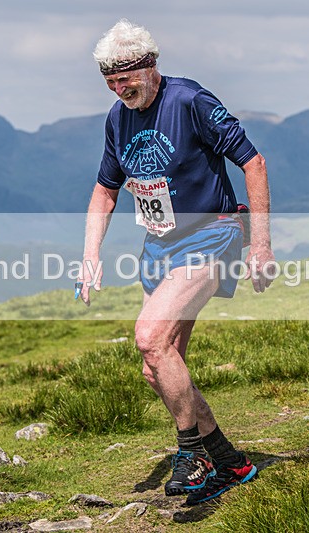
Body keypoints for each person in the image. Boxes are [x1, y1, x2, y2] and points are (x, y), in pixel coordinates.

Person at [78, 19, 275, 505]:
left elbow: (254, 162)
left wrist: (262, 246)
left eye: (127, 79)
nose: (121, 89)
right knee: (159, 365)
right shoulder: (117, 118)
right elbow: (106, 190)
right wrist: (89, 256)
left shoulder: (190, 101)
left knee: (149, 337)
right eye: (111, 82)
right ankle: (228, 460)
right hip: (159, 246)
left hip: (212, 235)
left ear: (151, 66)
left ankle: (192, 452)